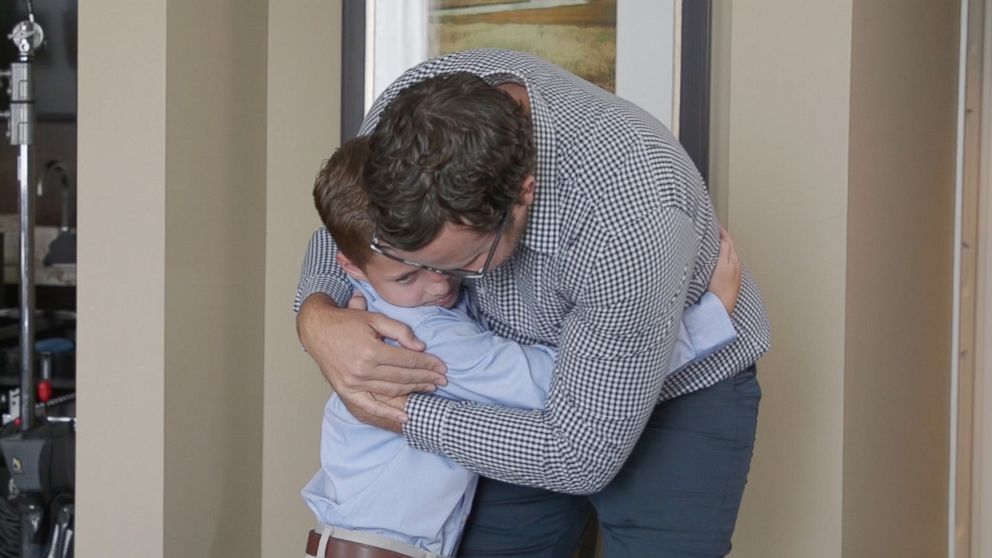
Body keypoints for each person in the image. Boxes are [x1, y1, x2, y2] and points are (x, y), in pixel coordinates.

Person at [296, 49, 771, 557]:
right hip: (509, 397)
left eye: (463, 264)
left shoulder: (633, 212)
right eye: (412, 267)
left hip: (672, 387)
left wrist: (401, 413)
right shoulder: (411, 113)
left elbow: (580, 451)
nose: (442, 288)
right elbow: (348, 231)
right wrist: (316, 316)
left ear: (523, 193)